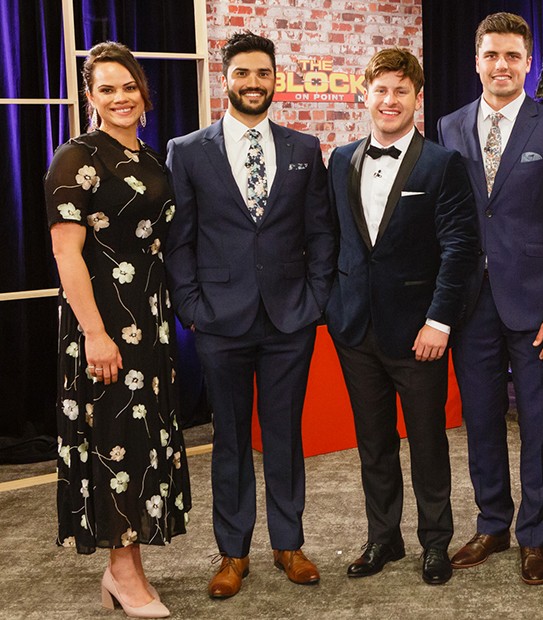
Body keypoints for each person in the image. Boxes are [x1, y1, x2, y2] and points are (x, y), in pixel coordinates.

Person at [164, 31, 335, 598]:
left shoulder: (304, 147)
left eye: (263, 73)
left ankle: (289, 544)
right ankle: (232, 553)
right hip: (219, 320)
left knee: (285, 436)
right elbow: (180, 239)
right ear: (226, 79)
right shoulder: (188, 150)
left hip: (290, 320)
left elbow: (320, 231)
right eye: (243, 73)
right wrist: (191, 306)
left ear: (275, 79)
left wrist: (315, 298)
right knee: (232, 440)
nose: (254, 83)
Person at [436, 12, 543, 586]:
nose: (502, 65)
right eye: (492, 55)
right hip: (470, 304)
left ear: (528, 63)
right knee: (479, 420)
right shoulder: (449, 126)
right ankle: (493, 523)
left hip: (537, 307)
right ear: (476, 61)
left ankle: (534, 535)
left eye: (513, 56)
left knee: (540, 423)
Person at [325, 48, 480, 586]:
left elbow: (459, 248)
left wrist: (439, 321)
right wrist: (332, 307)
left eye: (401, 91)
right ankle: (383, 538)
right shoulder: (340, 159)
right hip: (354, 328)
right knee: (373, 443)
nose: (389, 100)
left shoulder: (442, 163)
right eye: (381, 90)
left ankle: (435, 542)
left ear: (417, 98)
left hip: (419, 333)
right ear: (365, 95)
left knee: (428, 442)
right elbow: (333, 240)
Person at [46, 41, 190, 619]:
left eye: (129, 86)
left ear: (143, 92)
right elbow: (66, 254)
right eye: (106, 89)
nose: (120, 97)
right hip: (102, 324)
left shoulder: (150, 158)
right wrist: (96, 334)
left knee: (140, 441)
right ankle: (123, 574)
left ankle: (125, 567)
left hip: (148, 322)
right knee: (114, 442)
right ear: (91, 97)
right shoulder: (76, 157)